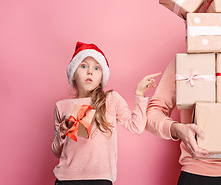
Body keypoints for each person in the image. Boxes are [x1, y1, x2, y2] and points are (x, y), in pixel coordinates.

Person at [51, 41, 161, 185]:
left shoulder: (111, 99)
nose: (90, 71)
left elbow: (137, 127)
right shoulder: (62, 106)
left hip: (100, 179)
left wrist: (139, 94)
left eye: (97, 68)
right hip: (66, 179)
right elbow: (57, 151)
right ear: (73, 74)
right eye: (83, 66)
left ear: (102, 76)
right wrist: (62, 132)